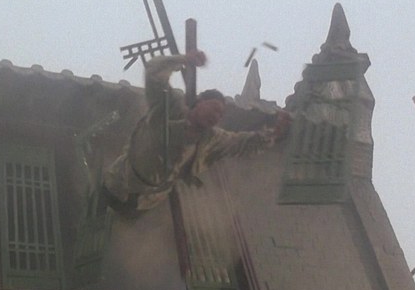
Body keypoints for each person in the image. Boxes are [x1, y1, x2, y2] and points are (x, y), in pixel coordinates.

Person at [102, 51, 290, 218]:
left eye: (220, 115)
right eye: (214, 108)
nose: (216, 116)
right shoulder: (170, 107)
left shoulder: (212, 139)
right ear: (199, 102)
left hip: (145, 203)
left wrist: (274, 133)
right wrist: (184, 59)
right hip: (118, 182)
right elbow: (153, 72)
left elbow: (242, 143)